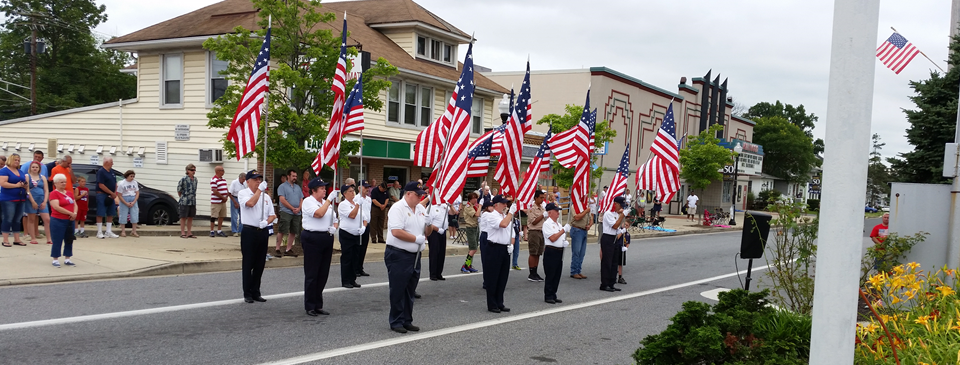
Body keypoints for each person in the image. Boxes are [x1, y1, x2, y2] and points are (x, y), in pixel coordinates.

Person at [384, 181, 428, 334]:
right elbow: (396, 231)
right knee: (398, 289)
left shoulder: (421, 208)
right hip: (399, 254)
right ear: (408, 193)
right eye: (417, 194)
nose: (419, 197)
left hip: (415, 255)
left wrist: (428, 226)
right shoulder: (398, 208)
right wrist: (415, 239)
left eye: (421, 195)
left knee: (410, 289)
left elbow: (425, 231)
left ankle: (407, 320)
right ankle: (396, 321)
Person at [238, 170, 276, 303]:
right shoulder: (243, 193)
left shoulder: (266, 197)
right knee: (249, 263)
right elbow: (250, 204)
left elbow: (272, 214)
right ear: (248, 182)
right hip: (249, 232)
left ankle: (256, 291)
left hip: (262, 232)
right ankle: (247, 293)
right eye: (255, 180)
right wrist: (259, 191)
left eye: (259, 180)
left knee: (260, 263)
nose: (258, 182)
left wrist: (267, 221)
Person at [301, 178, 337, 316]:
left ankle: (318, 304)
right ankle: (310, 305)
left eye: (324, 188)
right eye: (322, 188)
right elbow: (318, 214)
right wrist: (328, 201)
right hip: (312, 238)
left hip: (326, 237)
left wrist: (334, 227)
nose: (324, 190)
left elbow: (334, 219)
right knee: (312, 273)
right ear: (314, 190)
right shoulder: (308, 201)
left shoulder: (325, 203)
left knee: (323, 273)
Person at [481, 195, 515, 313]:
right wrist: (511, 213)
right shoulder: (491, 216)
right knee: (493, 277)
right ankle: (492, 304)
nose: (505, 205)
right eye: (503, 203)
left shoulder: (505, 216)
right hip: (494, 248)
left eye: (506, 203)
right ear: (496, 205)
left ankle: (500, 302)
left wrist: (511, 244)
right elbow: (503, 225)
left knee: (503, 277)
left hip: (505, 248)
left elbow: (511, 232)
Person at [542, 202, 570, 304]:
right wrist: (563, 231)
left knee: (557, 274)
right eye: (556, 211)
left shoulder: (558, 224)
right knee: (551, 274)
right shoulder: (547, 224)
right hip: (551, 251)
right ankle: (548, 295)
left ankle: (553, 294)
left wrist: (564, 242)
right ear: (550, 213)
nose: (558, 212)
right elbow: (553, 238)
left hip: (559, 251)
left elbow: (559, 237)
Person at [48, 173, 78, 267]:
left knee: (69, 239)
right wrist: (69, 213)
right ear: (56, 183)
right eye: (61, 182)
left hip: (69, 220)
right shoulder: (54, 194)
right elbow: (56, 207)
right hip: (58, 220)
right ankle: (55, 259)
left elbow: (74, 204)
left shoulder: (69, 193)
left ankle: (68, 258)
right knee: (57, 239)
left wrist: (75, 213)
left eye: (65, 182)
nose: (64, 184)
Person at [338, 184, 364, 288]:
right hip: (346, 234)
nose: (353, 193)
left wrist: (363, 227)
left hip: (356, 234)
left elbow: (362, 217)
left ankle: (352, 279)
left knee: (355, 257)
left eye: (353, 190)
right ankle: (345, 280)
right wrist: (358, 205)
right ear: (344, 194)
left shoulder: (354, 204)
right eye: (350, 191)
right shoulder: (343, 204)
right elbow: (352, 216)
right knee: (347, 257)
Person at [599, 196, 626, 292]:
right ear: (616, 204)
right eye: (620, 205)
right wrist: (622, 215)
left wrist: (622, 230)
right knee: (607, 262)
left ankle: (611, 283)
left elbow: (616, 227)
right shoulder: (608, 213)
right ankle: (604, 284)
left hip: (614, 238)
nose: (621, 208)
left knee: (614, 262)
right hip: (607, 238)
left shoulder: (615, 214)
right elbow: (614, 226)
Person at [0, 154, 27, 246]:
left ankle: (17, 239)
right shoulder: (4, 171)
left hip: (20, 198)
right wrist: (16, 185)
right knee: (8, 218)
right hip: (8, 199)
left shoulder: (20, 171)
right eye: (15, 160)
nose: (17, 162)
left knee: (17, 219)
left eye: (18, 160)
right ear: (10, 160)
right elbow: (3, 183)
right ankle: (5, 240)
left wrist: (24, 185)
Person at [276, 169, 304, 258]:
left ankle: (288, 249)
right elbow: (282, 200)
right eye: (293, 176)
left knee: (293, 231)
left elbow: (301, 199)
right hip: (286, 211)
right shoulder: (282, 187)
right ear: (288, 176)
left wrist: (299, 208)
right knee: (282, 230)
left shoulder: (298, 187)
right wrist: (292, 208)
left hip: (297, 213)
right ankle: (277, 249)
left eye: (296, 176)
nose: (295, 178)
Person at [24, 161, 51, 245]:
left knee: (47, 219)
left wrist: (45, 200)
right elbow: (27, 190)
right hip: (31, 200)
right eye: (33, 167)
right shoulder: (27, 176)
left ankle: (49, 238)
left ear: (39, 168)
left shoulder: (42, 177)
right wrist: (32, 201)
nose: (35, 169)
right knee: (31, 219)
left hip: (42, 200)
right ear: (30, 168)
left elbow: (46, 190)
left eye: (36, 167)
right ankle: (33, 238)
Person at [93, 157, 119, 239]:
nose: (112, 164)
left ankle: (108, 231)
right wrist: (111, 192)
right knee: (101, 212)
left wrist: (114, 193)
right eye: (111, 162)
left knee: (111, 212)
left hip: (111, 195)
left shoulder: (112, 171)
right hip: (102, 194)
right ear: (106, 162)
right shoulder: (101, 172)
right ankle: (99, 232)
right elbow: (101, 185)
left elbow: (115, 182)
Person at [568, 198, 593, 279]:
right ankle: (574, 271)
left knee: (582, 252)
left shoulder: (585, 206)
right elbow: (577, 218)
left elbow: (591, 218)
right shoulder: (574, 206)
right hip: (577, 229)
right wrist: (585, 211)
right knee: (576, 252)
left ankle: (578, 270)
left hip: (584, 230)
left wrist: (589, 225)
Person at [525, 190, 546, 282]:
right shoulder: (531, 208)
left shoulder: (542, 207)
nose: (542, 199)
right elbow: (534, 221)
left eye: (543, 198)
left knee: (538, 253)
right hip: (534, 232)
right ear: (535, 198)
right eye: (541, 198)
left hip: (541, 231)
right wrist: (543, 215)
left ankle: (535, 271)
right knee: (533, 252)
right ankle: (531, 273)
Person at [426, 197, 449, 281]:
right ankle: (433, 274)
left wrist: (449, 204)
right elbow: (428, 223)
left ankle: (439, 273)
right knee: (434, 253)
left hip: (443, 232)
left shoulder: (444, 206)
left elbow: (454, 212)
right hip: (434, 232)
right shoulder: (431, 207)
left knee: (441, 253)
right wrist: (438, 229)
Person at [354, 180, 373, 277]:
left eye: (368, 187)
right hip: (359, 224)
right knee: (358, 247)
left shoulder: (369, 199)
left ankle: (360, 267)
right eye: (365, 187)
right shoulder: (356, 198)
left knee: (364, 247)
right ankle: (356, 268)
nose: (367, 189)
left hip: (367, 224)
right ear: (359, 188)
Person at [459, 192, 481, 273]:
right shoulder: (468, 207)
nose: (475, 200)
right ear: (470, 199)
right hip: (470, 228)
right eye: (474, 198)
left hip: (476, 227)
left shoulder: (474, 206)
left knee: (473, 248)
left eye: (476, 198)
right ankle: (465, 265)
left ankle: (469, 265)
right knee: (473, 248)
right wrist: (480, 206)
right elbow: (477, 214)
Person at [116, 170, 140, 237]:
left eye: (133, 176)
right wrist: (125, 203)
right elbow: (119, 194)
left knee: (134, 214)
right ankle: (123, 231)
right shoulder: (122, 183)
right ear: (127, 176)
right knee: (123, 214)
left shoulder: (135, 183)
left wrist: (134, 201)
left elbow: (137, 193)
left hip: (133, 198)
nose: (132, 178)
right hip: (125, 198)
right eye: (131, 176)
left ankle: (134, 231)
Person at [177, 164, 198, 238]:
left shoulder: (195, 179)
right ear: (187, 171)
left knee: (191, 216)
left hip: (192, 201)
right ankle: (183, 232)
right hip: (185, 200)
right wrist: (182, 197)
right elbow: (179, 190)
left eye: (194, 170)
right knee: (183, 217)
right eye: (192, 170)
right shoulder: (183, 179)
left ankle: (189, 232)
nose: (193, 172)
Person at [209, 166, 230, 238]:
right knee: (214, 216)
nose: (223, 172)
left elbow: (226, 189)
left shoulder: (223, 180)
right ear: (217, 171)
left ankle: (219, 230)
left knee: (222, 216)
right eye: (222, 170)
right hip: (216, 201)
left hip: (223, 201)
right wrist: (222, 197)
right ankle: (212, 231)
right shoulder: (214, 180)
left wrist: (226, 197)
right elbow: (215, 191)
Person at [228, 173, 246, 237]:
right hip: (235, 198)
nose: (244, 181)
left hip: (242, 199)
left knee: (242, 215)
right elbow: (229, 193)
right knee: (234, 216)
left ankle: (240, 231)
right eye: (243, 179)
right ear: (240, 178)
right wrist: (235, 202)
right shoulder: (234, 182)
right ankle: (234, 231)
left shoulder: (244, 184)